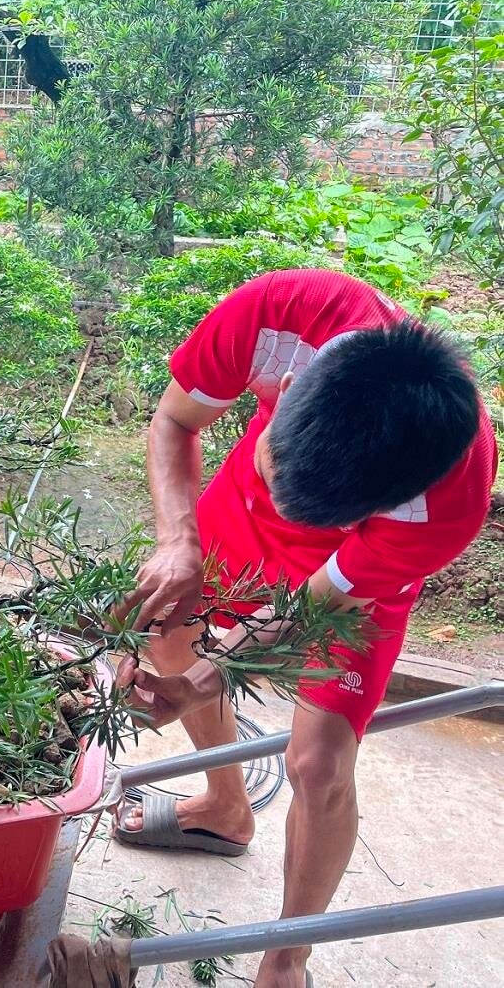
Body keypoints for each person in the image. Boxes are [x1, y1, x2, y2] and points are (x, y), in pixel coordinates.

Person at [113, 269, 497, 988]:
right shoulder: (278, 314)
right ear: (286, 392)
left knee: (318, 763)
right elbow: (172, 421)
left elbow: (315, 604)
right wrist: (177, 538)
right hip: (238, 514)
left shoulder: (446, 504)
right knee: (167, 629)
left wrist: (201, 680)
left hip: (349, 578)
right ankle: (225, 808)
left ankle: (285, 956)